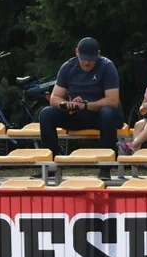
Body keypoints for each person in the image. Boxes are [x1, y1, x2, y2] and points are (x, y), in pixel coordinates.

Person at [39, 37, 122, 179]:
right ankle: (50, 165)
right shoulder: (68, 67)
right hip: (77, 113)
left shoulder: (107, 66)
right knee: (46, 114)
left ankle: (105, 167)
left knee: (108, 113)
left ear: (98, 54)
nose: (87, 62)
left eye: (91, 59)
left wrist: (85, 105)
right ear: (77, 52)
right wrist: (66, 105)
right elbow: (54, 98)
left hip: (101, 115)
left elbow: (113, 100)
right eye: (84, 58)